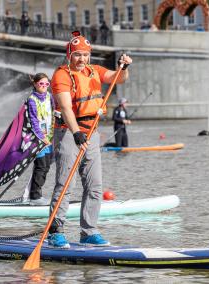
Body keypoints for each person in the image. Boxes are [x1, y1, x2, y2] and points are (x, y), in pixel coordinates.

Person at [48, 31, 132, 248]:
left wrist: (124, 67)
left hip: (92, 132)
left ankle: (89, 231)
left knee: (95, 185)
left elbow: (118, 78)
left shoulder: (94, 71)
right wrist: (76, 134)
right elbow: (65, 107)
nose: (82, 59)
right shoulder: (61, 75)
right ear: (70, 55)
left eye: (85, 55)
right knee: (65, 183)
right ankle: (56, 231)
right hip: (69, 131)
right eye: (77, 55)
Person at [23, 73, 55, 206]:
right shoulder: (32, 99)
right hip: (38, 139)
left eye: (46, 84)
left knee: (46, 166)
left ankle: (35, 194)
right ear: (35, 84)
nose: (44, 86)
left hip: (50, 137)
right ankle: (35, 197)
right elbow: (34, 121)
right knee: (41, 166)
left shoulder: (49, 96)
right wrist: (42, 137)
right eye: (41, 84)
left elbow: (54, 111)